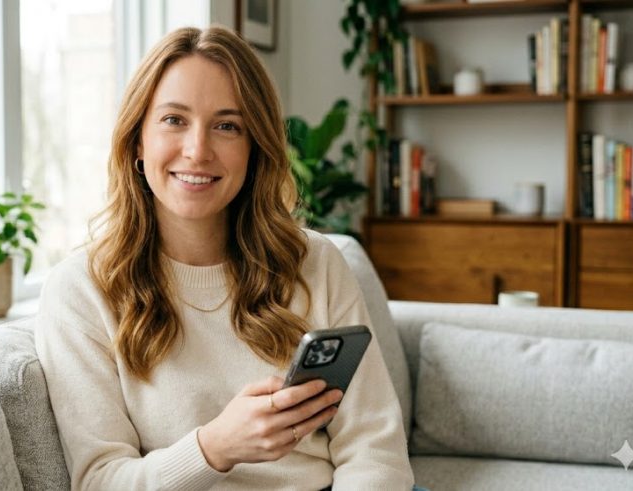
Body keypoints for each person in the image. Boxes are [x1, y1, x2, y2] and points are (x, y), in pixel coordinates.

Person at [35, 26, 415, 490]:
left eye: (227, 126)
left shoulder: (315, 262)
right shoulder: (81, 290)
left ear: (254, 148)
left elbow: (375, 451)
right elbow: (100, 481)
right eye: (174, 120)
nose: (197, 151)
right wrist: (214, 447)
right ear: (138, 140)